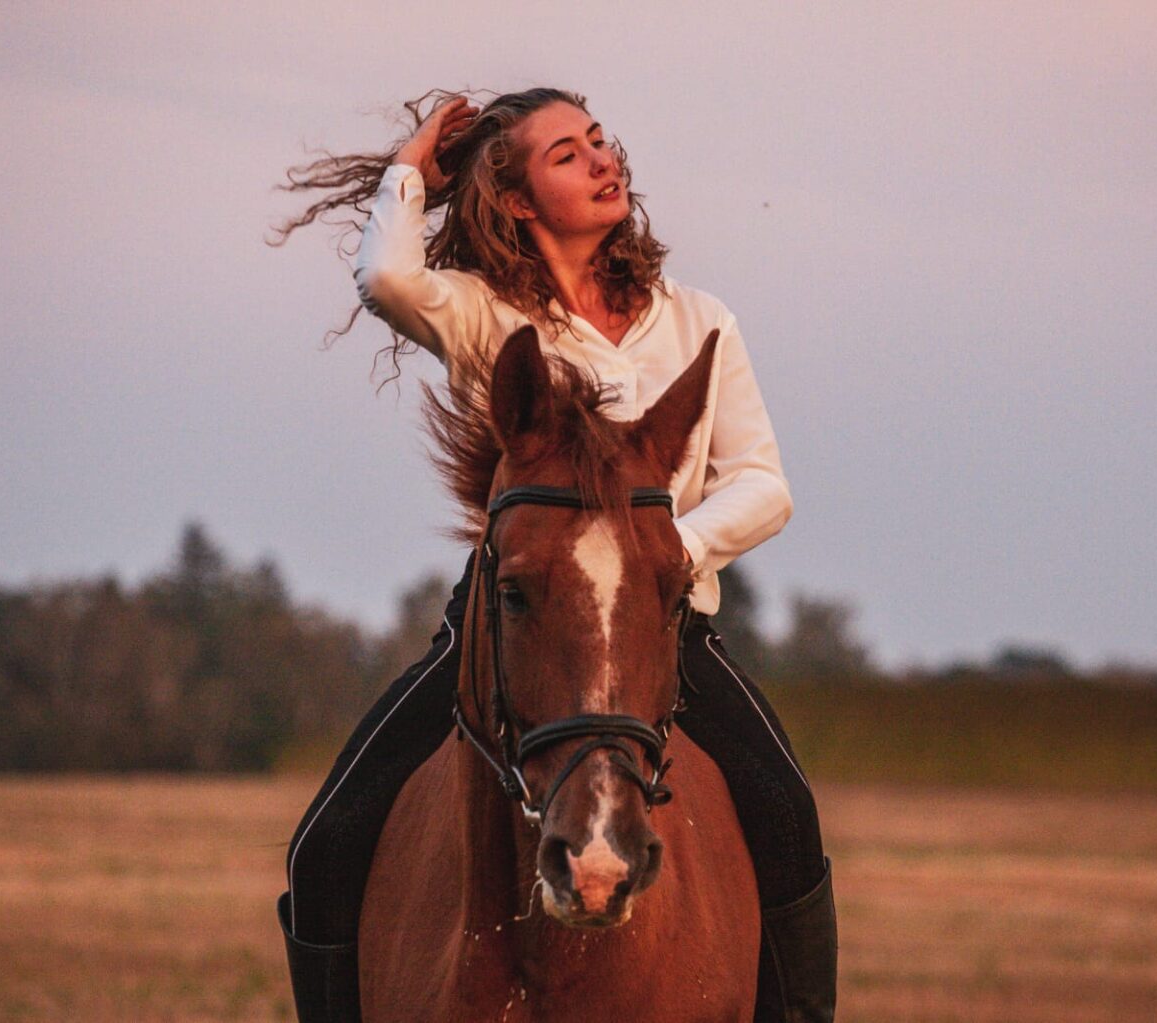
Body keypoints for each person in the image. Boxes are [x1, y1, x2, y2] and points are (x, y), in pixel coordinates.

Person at [272, 87, 836, 1023]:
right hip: (511, 625)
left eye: (600, 140)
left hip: (662, 627)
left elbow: (762, 484)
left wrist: (659, 554)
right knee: (324, 845)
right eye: (567, 154)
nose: (603, 159)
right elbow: (388, 280)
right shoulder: (483, 314)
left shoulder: (700, 321)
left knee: (786, 817)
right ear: (518, 200)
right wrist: (410, 171)